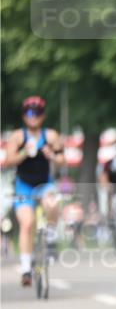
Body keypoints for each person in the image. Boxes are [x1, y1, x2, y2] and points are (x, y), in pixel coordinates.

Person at [2, 97, 64, 286]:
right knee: (27, 224)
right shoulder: (17, 136)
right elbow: (7, 161)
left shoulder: (51, 135)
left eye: (37, 113)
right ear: (24, 116)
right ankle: (26, 268)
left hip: (45, 183)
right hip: (23, 186)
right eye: (30, 113)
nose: (33, 117)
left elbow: (63, 160)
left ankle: (51, 235)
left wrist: (52, 155)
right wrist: (23, 153)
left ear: (42, 116)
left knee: (52, 203)